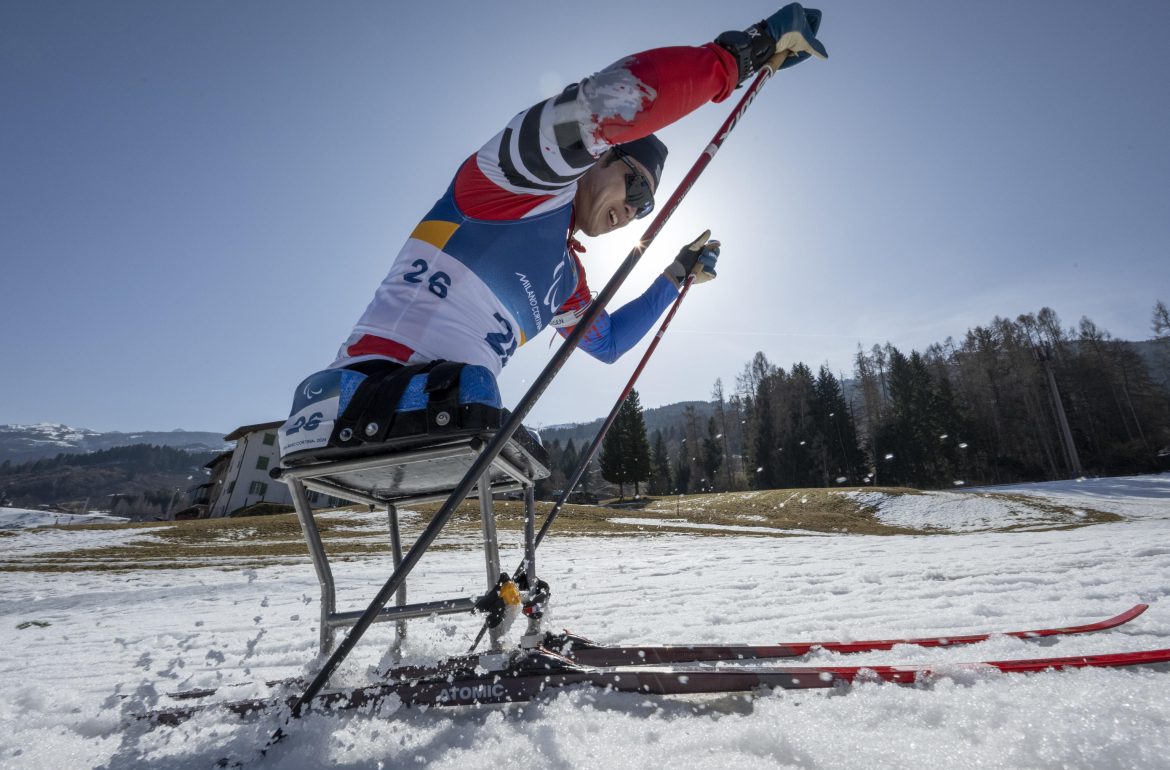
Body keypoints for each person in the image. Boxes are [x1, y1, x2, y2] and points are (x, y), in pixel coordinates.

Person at [278, 4, 826, 462]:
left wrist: (676, 275)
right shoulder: (510, 182)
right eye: (634, 187)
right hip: (363, 394)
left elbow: (607, 344)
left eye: (645, 208)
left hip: (448, 420)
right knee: (475, 395)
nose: (632, 211)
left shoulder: (567, 279)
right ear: (599, 157)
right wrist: (742, 54)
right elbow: (608, 104)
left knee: (500, 424)